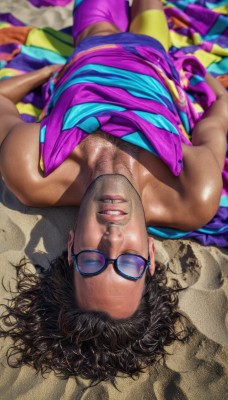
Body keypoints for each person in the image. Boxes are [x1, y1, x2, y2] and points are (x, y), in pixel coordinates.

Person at [0, 0, 227, 383]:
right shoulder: (192, 195)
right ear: (151, 255)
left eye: (91, 261)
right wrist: (220, 100)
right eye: (129, 264)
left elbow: (2, 101)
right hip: (154, 53)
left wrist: (43, 74)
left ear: (71, 246)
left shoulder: (33, 171)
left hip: (94, 43)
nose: (113, 237)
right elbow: (212, 132)